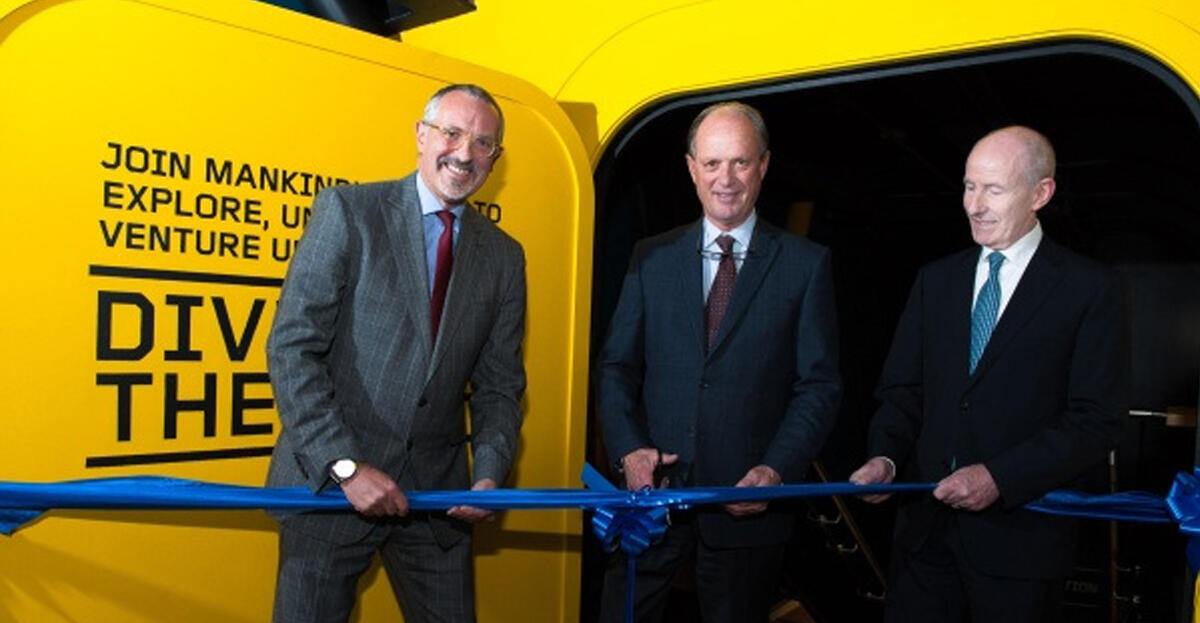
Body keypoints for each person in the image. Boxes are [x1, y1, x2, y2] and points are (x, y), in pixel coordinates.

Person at [265, 83, 526, 623]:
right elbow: (292, 348)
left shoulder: (504, 257)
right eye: (452, 133)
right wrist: (345, 467)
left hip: (438, 504)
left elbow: (501, 385)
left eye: (483, 143)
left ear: (495, 158)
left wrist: (491, 476)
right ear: (420, 135)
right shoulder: (349, 212)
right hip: (328, 492)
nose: (464, 153)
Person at [849, 126, 1127, 622]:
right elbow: (902, 392)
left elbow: (1096, 419)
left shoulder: (1089, 289)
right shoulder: (936, 281)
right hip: (922, 540)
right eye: (968, 186)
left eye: (993, 189)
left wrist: (999, 477)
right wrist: (885, 458)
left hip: (1020, 546)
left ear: (1041, 193)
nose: (974, 205)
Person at [596, 101, 841, 622]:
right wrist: (629, 452)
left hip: (749, 511)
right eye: (711, 164)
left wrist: (776, 469)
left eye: (740, 162)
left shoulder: (805, 265)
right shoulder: (650, 257)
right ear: (691, 168)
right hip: (652, 500)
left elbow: (819, 386)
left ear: (764, 165)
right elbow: (617, 367)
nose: (724, 179)